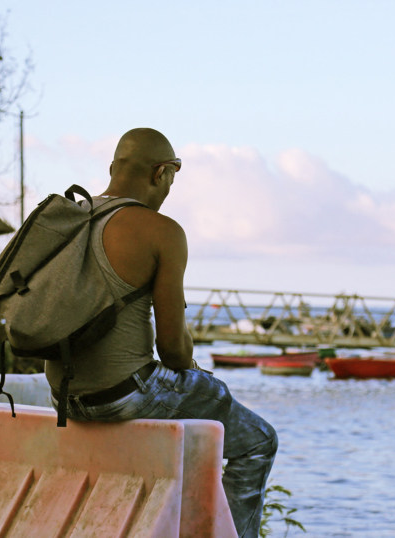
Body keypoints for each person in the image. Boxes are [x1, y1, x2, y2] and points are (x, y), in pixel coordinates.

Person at [45, 128, 276, 538]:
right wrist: (195, 369)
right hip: (123, 395)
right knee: (258, 440)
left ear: (113, 169)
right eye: (172, 176)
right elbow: (172, 350)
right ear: (162, 174)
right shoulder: (162, 231)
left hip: (64, 397)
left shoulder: (65, 221)